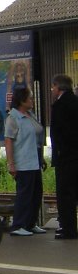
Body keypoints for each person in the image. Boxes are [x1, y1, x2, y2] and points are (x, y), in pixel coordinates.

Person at [4, 87, 46, 236]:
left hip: (34, 160)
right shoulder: (13, 118)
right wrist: (11, 163)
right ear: (22, 100)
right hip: (23, 161)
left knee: (36, 193)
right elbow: (8, 140)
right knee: (24, 194)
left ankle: (30, 223)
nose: (32, 101)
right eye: (30, 98)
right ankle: (18, 224)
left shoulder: (30, 115)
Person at [50, 74, 78, 240]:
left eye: (53, 87)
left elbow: (59, 133)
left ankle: (68, 229)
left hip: (66, 156)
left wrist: (59, 152)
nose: (52, 90)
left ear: (58, 87)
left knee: (65, 193)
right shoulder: (76, 101)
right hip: (76, 155)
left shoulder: (60, 105)